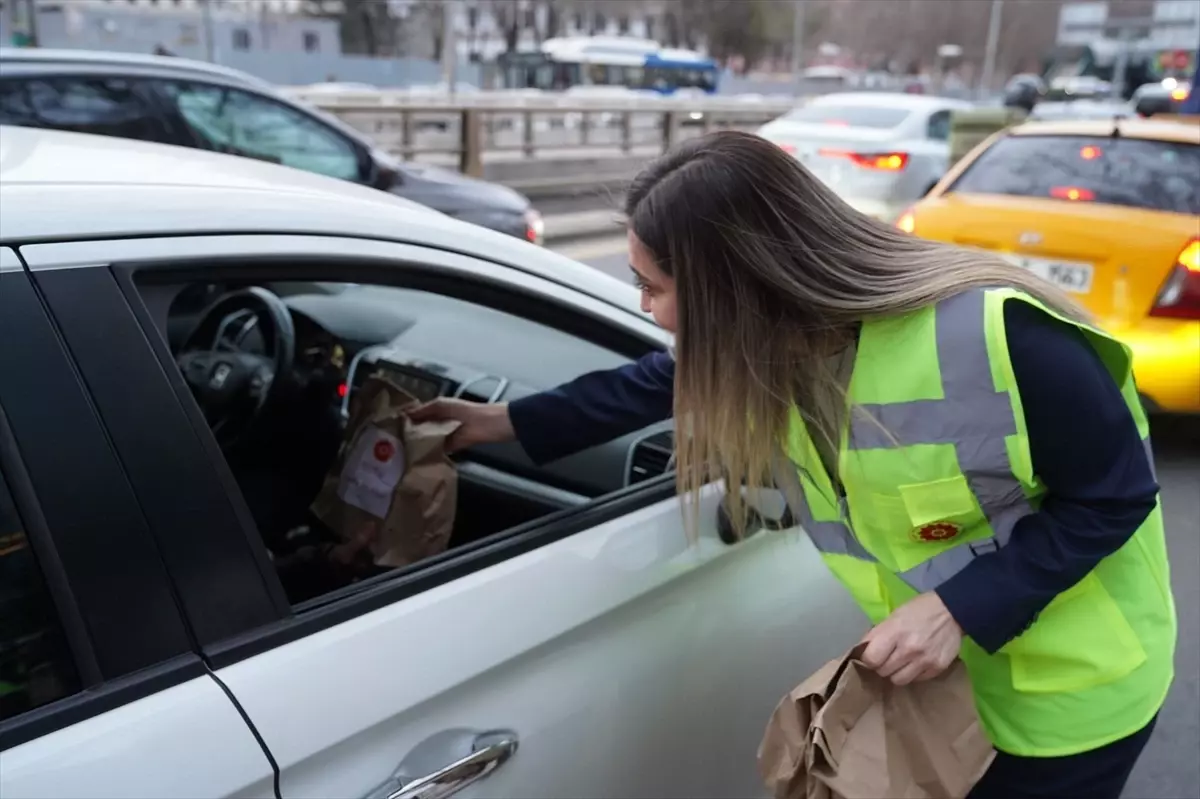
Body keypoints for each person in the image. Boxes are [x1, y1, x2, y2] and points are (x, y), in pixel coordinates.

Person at [410, 130, 1173, 799]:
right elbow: (661, 379)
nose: (645, 307)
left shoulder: (1001, 334)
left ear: (735, 288)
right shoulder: (774, 344)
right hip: (948, 689)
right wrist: (503, 422)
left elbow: (1116, 495)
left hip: (1074, 701)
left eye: (653, 287)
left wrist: (957, 607)